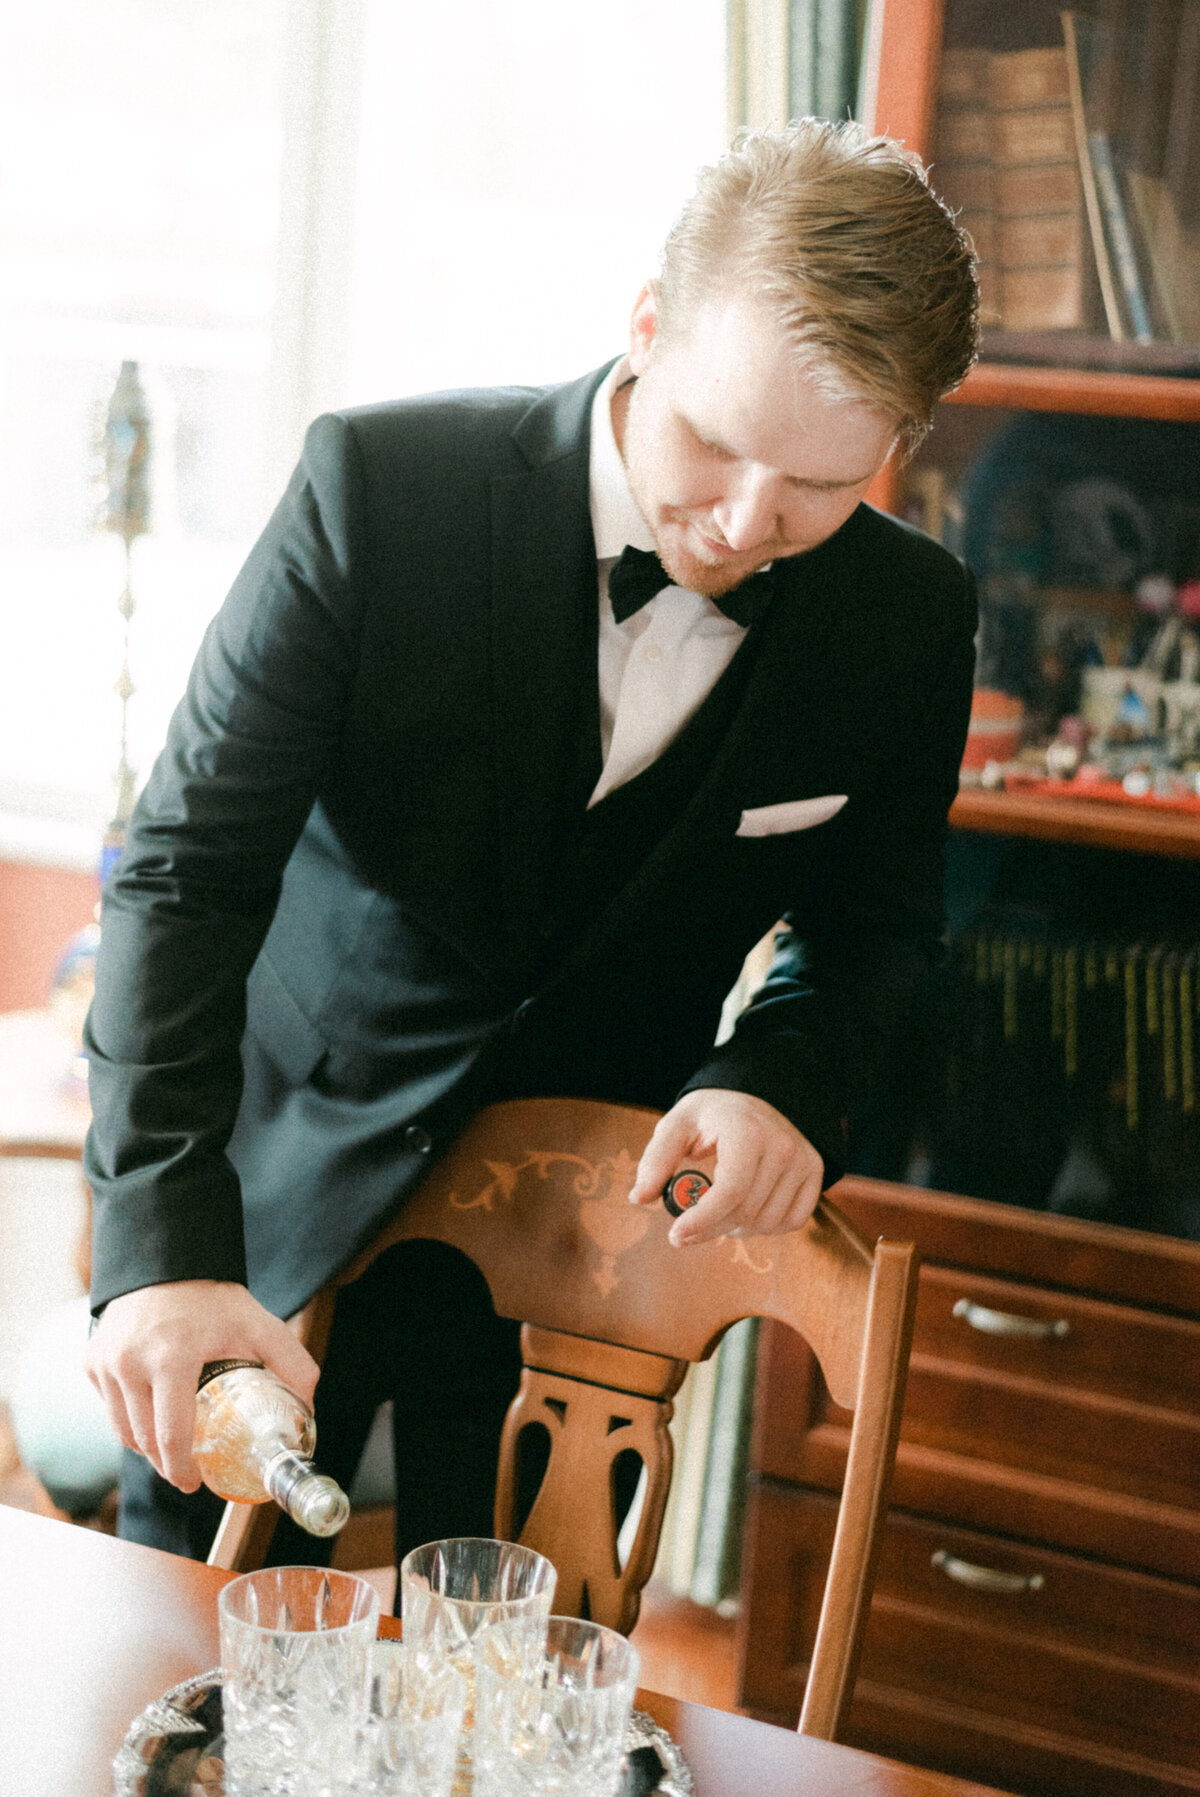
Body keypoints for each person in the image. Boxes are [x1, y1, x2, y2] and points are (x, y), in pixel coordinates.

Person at [84, 118, 979, 1564]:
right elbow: (188, 871)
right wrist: (163, 1247)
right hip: (274, 1197)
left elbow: (876, 929)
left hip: (590, 1268)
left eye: (821, 486)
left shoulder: (911, 621)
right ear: (647, 327)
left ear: (899, 441)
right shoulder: (382, 492)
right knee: (191, 1688)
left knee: (523, 1703)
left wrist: (781, 1080)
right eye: (717, 441)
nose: (745, 522)